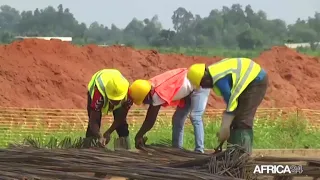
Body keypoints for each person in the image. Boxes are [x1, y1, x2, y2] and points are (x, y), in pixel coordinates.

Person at [186, 58, 268, 154]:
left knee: (243, 120)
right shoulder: (213, 73)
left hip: (256, 80)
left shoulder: (219, 79)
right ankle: (232, 154)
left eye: (202, 84)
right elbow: (231, 103)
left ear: (205, 77)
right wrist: (227, 124)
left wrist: (225, 126)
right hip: (249, 80)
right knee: (235, 120)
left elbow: (231, 101)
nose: (203, 87)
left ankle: (243, 157)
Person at [128, 68, 210, 153]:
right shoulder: (150, 85)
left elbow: (150, 120)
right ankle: (177, 149)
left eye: (143, 101)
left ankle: (199, 150)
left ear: (146, 96)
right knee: (177, 119)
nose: (145, 103)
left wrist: (139, 135)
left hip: (201, 82)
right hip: (188, 85)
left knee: (195, 116)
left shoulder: (158, 94)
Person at [86, 69, 133, 149]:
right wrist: (99, 136)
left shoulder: (128, 95)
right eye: (112, 100)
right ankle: (89, 148)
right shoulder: (98, 94)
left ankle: (125, 148)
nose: (115, 103)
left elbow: (121, 117)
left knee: (122, 125)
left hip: (114, 80)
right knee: (92, 127)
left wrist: (109, 132)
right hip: (98, 81)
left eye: (117, 100)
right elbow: (93, 121)